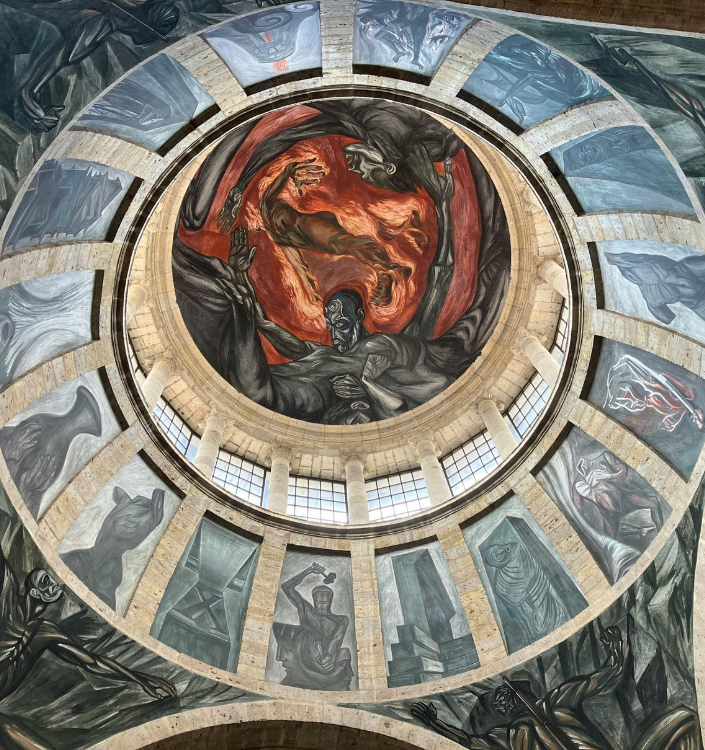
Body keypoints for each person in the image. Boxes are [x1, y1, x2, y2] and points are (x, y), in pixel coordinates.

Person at [172, 140, 511, 424]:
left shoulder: (397, 342)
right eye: (331, 323)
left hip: (369, 395)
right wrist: (243, 286)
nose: (335, 331)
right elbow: (273, 330)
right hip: (323, 389)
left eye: (342, 322)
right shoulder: (324, 353)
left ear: (360, 317)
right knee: (254, 387)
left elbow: (441, 277)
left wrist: (443, 207)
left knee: (258, 390)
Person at [179, 99, 464, 339]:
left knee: (346, 243)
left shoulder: (359, 129)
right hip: (296, 220)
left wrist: (268, 180)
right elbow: (284, 233)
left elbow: (277, 220)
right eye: (366, 171)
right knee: (345, 243)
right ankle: (387, 269)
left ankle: (387, 269)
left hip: (299, 225)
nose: (356, 170)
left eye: (364, 171)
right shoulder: (377, 131)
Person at [0, 544, 177, 749]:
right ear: (33, 590)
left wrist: (140, 679)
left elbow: (93, 662)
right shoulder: (8, 604)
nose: (53, 584)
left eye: (54, 582)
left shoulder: (45, 631)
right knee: (10, 729)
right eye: (45, 580)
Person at [411, 626, 701, 750]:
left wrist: (616, 647)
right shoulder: (510, 735)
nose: (502, 702)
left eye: (505, 694)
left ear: (521, 690)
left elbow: (607, 676)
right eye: (498, 702)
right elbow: (470, 742)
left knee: (685, 718)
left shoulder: (558, 700)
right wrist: (436, 724)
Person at [0, 0, 179, 132]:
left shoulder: (107, 17)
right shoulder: (98, 27)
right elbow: (58, 59)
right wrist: (29, 96)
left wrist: (30, 96)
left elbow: (57, 59)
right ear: (147, 30)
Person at [259, 158, 410, 306]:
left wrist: (288, 170)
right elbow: (296, 262)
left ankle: (387, 268)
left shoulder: (266, 207)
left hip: (312, 226)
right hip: (312, 241)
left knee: (345, 243)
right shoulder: (277, 236)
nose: (256, 225)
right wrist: (308, 288)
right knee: (347, 247)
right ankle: (382, 270)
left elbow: (275, 185)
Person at [60, 486, 165, 611]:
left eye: (136, 525)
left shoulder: (113, 572)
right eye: (129, 520)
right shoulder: (76, 560)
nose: (131, 526)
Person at [271, 562, 353, 690]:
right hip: (305, 657)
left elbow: (336, 640)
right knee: (308, 631)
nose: (321, 606)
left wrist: (329, 658)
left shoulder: (340, 620)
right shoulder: (307, 611)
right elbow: (286, 587)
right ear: (314, 601)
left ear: (330, 602)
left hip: (325, 660)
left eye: (325, 602)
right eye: (318, 602)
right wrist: (308, 571)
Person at [572, 450, 665, 545]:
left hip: (622, 499)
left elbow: (623, 472)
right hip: (607, 512)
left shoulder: (604, 458)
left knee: (653, 502)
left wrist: (611, 475)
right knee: (610, 539)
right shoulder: (578, 485)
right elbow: (578, 509)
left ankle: (660, 529)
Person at [604, 250, 705, 326]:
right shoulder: (650, 292)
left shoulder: (650, 294)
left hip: (690, 280)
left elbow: (664, 315)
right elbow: (664, 315)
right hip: (694, 297)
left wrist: (668, 317)